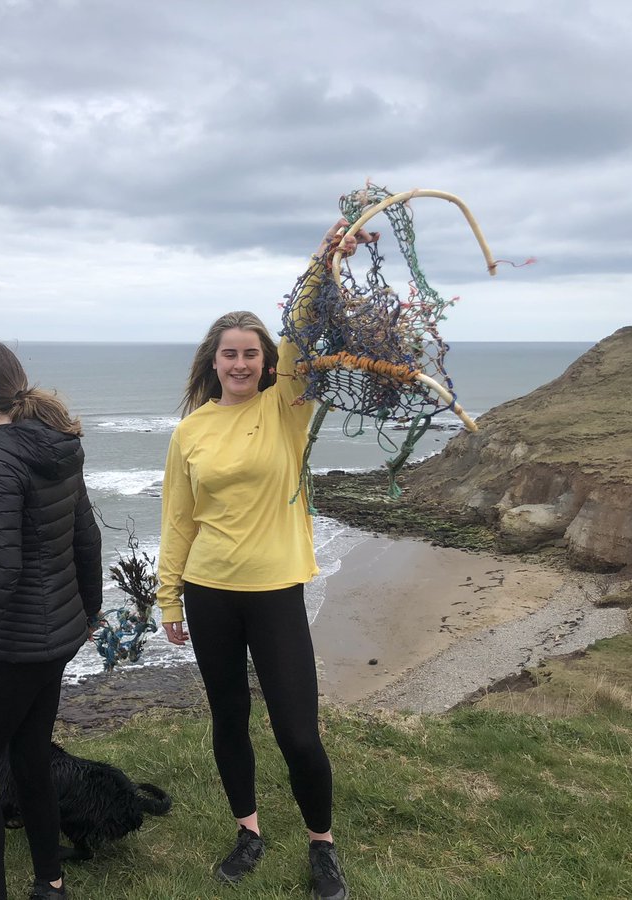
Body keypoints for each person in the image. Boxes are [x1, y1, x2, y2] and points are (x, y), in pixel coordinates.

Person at [158, 219, 373, 900]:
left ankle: (322, 845)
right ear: (213, 362)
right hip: (209, 592)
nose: (242, 363)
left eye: (252, 353)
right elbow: (179, 518)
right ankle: (248, 830)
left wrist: (322, 262)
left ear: (266, 360)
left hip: (275, 591)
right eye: (230, 354)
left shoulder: (288, 406)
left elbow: (305, 328)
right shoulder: (191, 430)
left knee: (298, 732)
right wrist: (169, 598)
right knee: (229, 721)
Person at [0, 341, 102, 900]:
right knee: (30, 750)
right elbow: (87, 534)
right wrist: (88, 614)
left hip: (17, 644)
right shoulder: (57, 445)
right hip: (57, 634)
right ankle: (50, 882)